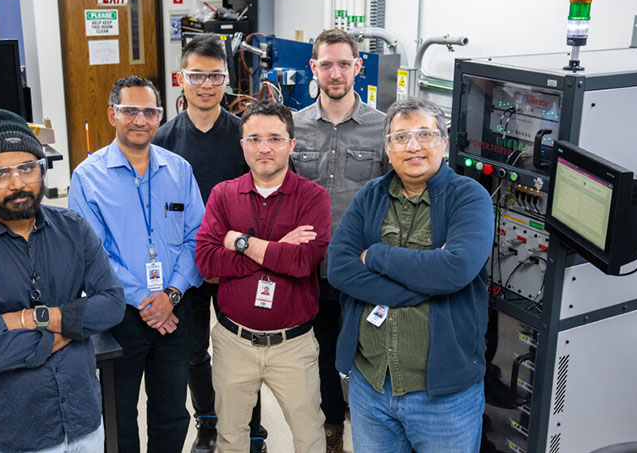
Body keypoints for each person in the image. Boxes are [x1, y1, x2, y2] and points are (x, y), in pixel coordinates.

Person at [0, 109, 126, 453]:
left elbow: (112, 304)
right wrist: (74, 324)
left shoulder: (74, 229)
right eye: (0, 173)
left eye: (27, 167)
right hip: (13, 433)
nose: (18, 183)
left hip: (83, 421)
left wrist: (31, 319)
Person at [327, 98, 494, 453]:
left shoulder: (470, 198)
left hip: (445, 399)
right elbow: (339, 267)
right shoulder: (369, 196)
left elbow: (456, 269)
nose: (413, 146)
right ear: (387, 149)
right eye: (400, 137)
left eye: (425, 135)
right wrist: (424, 285)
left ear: (444, 142)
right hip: (370, 387)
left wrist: (376, 255)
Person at [69, 76, 205, 453]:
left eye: (149, 112)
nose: (140, 120)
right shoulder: (87, 177)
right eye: (130, 111)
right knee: (119, 411)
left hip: (175, 308)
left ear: (160, 117)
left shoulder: (179, 170)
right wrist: (148, 299)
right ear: (113, 114)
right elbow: (92, 254)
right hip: (119, 314)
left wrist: (171, 293)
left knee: (172, 409)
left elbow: (197, 236)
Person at [194, 101, 331, 453]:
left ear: (292, 144)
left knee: (309, 435)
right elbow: (207, 261)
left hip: (293, 346)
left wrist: (240, 243)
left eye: (275, 138)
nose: (264, 148)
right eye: (254, 139)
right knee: (231, 437)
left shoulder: (314, 198)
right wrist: (276, 251)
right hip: (233, 343)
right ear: (243, 145)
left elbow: (303, 261)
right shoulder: (224, 195)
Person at [153, 34, 267, 453]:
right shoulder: (163, 141)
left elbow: (262, 199)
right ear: (180, 78)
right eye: (197, 75)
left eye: (215, 75)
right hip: (187, 269)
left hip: (240, 263)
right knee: (193, 353)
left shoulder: (244, 137)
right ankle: (208, 425)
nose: (206, 84)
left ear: (226, 79)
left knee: (247, 352)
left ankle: (253, 431)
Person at [292, 27, 388, 452]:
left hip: (362, 269)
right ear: (313, 67)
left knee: (369, 354)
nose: (335, 72)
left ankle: (371, 432)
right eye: (326, 64)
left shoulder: (383, 129)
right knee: (322, 357)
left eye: (344, 64)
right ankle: (332, 427)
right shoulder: (293, 127)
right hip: (310, 271)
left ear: (358, 67)